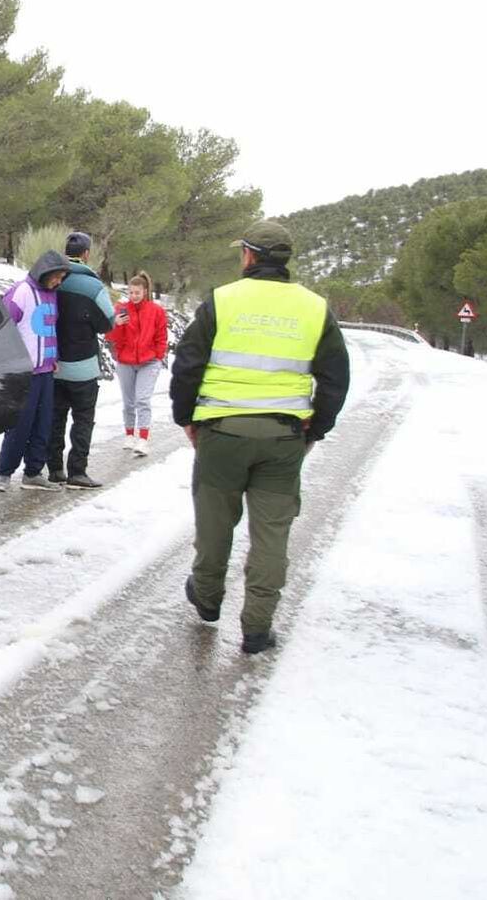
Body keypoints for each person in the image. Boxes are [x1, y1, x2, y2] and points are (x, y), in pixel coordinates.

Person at [169, 219, 350, 654]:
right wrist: (315, 429)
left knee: (215, 522)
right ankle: (256, 627)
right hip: (283, 437)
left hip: (222, 432)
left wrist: (187, 418)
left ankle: (207, 598)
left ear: (248, 255)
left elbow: (188, 365)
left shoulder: (222, 300)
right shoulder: (314, 307)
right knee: (272, 534)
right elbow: (335, 379)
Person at [0, 250, 73, 491]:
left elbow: (48, 329)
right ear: (45, 271)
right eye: (56, 276)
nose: (58, 281)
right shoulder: (21, 292)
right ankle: (4, 473)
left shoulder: (52, 295)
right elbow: (2, 328)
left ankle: (33, 472)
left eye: (62, 278)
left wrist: (53, 357)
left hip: (46, 371)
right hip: (24, 374)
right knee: (19, 425)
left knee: (43, 424)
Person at [46, 231, 115, 488]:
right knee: (83, 420)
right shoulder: (93, 287)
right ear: (86, 254)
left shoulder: (52, 280)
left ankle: (54, 469)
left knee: (56, 419)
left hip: (53, 364)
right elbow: (107, 323)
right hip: (83, 367)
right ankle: (77, 472)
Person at [106, 271, 168, 456]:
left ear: (145, 291)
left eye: (137, 292)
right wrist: (116, 324)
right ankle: (129, 435)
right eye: (131, 292)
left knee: (142, 399)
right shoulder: (121, 309)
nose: (133, 296)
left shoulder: (156, 311)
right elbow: (111, 337)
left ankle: (143, 439)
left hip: (149, 362)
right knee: (128, 402)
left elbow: (161, 336)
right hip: (126, 362)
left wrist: (158, 356)